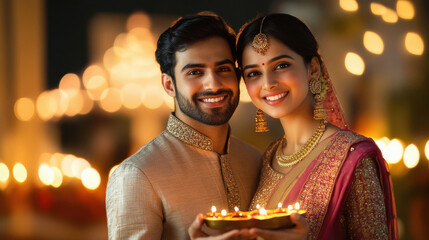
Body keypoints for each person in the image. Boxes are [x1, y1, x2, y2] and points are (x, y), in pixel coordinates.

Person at [234, 13, 398, 239]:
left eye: (281, 65)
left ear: (313, 69)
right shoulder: (268, 157)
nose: (268, 83)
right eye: (253, 73)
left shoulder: (352, 159)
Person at [105, 12, 263, 239]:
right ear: (169, 85)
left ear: (238, 76)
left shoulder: (254, 160)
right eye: (195, 72)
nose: (213, 84)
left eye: (223, 69)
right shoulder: (137, 174)